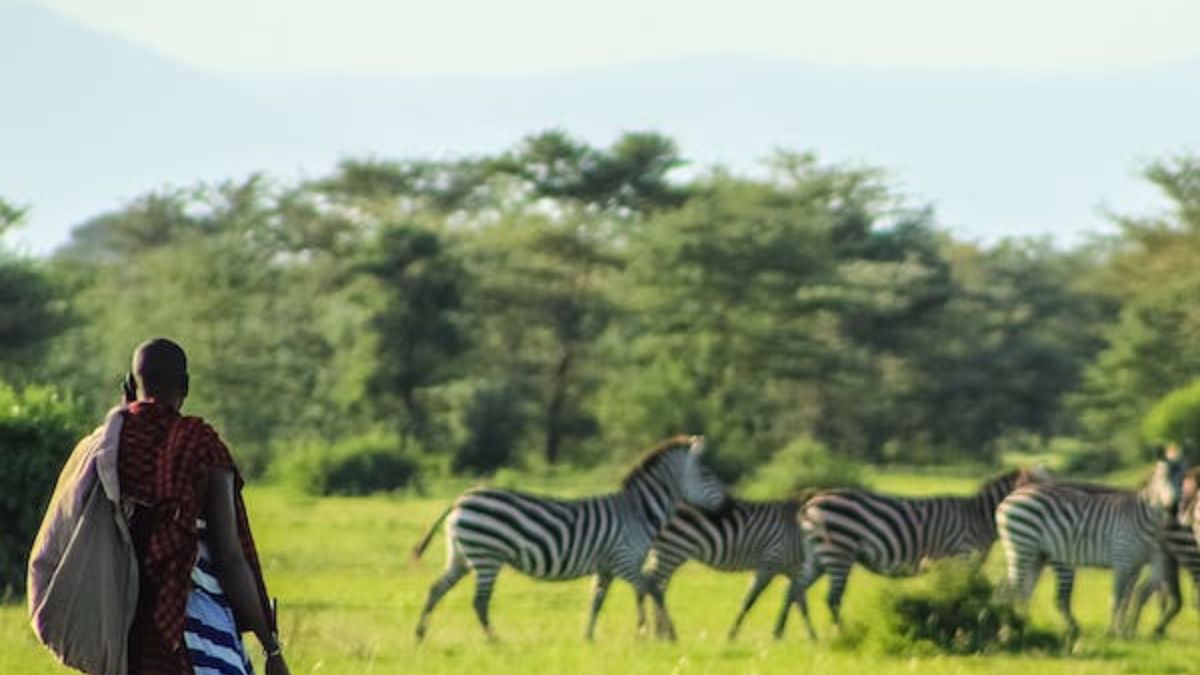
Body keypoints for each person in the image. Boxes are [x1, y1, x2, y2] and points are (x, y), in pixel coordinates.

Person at [118, 338, 290, 675]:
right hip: (194, 625)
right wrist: (271, 648)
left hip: (121, 622)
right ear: (185, 386)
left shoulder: (107, 448)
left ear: (128, 384)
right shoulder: (200, 446)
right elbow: (229, 555)